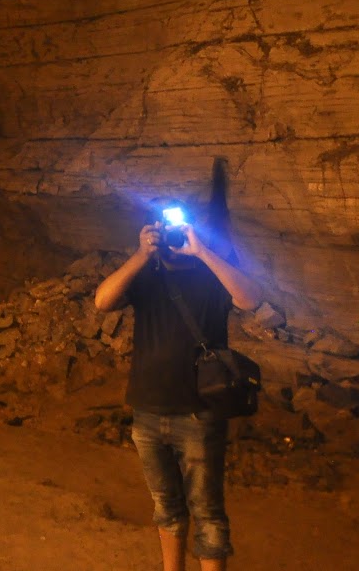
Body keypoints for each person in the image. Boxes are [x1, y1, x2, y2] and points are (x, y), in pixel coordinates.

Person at [94, 216, 263, 571]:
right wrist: (142, 254)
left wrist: (202, 251)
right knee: (166, 507)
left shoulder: (209, 277)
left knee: (207, 512)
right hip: (148, 411)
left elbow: (250, 299)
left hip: (200, 413)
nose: (171, 237)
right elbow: (103, 301)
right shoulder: (147, 276)